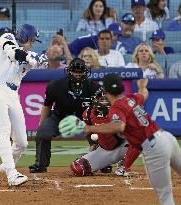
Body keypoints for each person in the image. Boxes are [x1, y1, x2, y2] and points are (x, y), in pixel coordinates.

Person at [59, 73, 181, 205]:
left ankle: (124, 166)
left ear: (105, 90)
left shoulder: (116, 107)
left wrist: (89, 129)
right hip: (168, 139)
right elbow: (144, 94)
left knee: (165, 195)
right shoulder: (131, 99)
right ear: (122, 89)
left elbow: (119, 126)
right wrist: (142, 85)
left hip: (154, 148)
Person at [0, 24, 42, 186]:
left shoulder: (28, 54)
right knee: (4, 129)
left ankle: (7, 164)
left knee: (22, 142)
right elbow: (13, 53)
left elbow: (32, 62)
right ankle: (11, 173)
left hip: (12, 94)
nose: (32, 43)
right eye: (32, 40)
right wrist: (29, 57)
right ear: (24, 36)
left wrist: (38, 60)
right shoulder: (6, 38)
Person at [29, 58, 100, 173]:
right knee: (42, 134)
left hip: (85, 118)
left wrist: (98, 127)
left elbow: (99, 110)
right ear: (69, 71)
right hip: (59, 116)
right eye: (75, 72)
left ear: (86, 72)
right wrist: (41, 126)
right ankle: (41, 165)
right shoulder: (55, 86)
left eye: (81, 72)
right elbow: (47, 106)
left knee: (99, 135)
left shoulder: (94, 88)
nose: (78, 75)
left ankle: (101, 163)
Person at [69, 87, 140, 177]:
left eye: (107, 99)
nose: (105, 102)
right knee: (77, 168)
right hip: (104, 150)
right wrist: (92, 144)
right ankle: (104, 163)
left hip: (123, 147)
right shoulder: (88, 114)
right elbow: (88, 131)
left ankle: (125, 167)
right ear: (96, 100)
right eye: (102, 99)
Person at [68, 13, 142, 57]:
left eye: (131, 24)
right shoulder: (101, 39)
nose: (129, 26)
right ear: (121, 24)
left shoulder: (138, 41)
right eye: (126, 23)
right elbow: (78, 43)